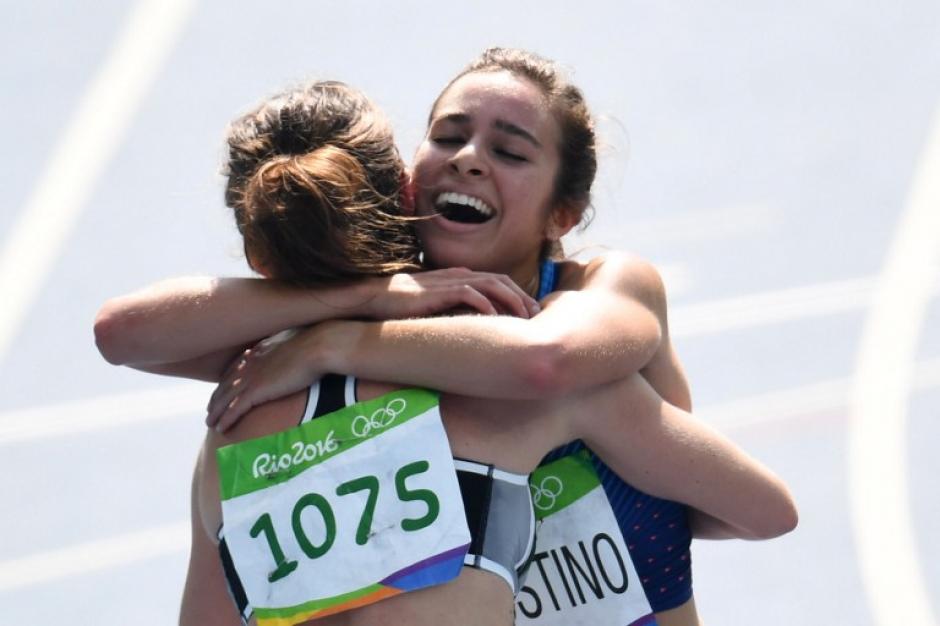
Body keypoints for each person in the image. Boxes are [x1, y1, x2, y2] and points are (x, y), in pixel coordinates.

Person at [95, 50, 797, 626]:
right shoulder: (384, 312)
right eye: (449, 135)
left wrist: (332, 344)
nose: (467, 158)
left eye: (509, 151)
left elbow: (547, 362)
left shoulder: (598, 294)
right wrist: (363, 300)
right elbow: (124, 332)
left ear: (564, 212)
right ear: (407, 181)